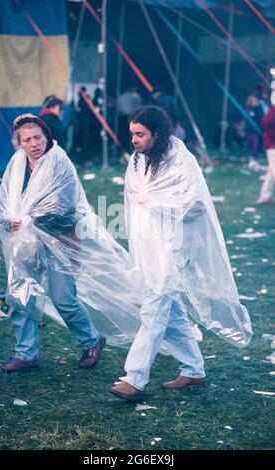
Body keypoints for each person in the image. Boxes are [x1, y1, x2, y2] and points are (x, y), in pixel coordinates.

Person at [110, 106, 253, 400]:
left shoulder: (182, 160)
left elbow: (196, 203)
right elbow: (136, 199)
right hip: (149, 244)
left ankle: (134, 378)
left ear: (157, 133)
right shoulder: (138, 161)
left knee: (155, 306)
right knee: (169, 309)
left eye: (140, 134)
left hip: (176, 246)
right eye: (132, 134)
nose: (134, 140)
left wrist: (157, 205)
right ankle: (194, 370)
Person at [0, 114, 140, 372]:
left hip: (61, 238)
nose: (33, 144)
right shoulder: (16, 164)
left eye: (37, 137)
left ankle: (92, 340)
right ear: (18, 143)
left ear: (46, 136)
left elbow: (64, 206)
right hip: (25, 242)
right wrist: (10, 221)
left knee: (63, 298)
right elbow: (5, 202)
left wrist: (28, 219)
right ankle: (26, 354)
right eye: (26, 140)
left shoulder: (58, 162)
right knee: (21, 294)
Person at [256, 105, 275, 204]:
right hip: (272, 146)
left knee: (271, 173)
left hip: (271, 145)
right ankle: (265, 195)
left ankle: (265, 195)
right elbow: (265, 122)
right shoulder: (273, 111)